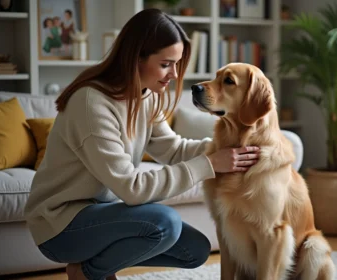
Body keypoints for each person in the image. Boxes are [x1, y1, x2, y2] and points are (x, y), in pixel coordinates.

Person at [24, 8, 260, 280]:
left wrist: (222, 149)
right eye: (165, 64)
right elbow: (132, 189)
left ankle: (93, 266)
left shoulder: (145, 96)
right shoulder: (91, 103)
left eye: (176, 63)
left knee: (195, 249)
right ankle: (88, 272)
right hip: (60, 227)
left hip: (100, 215)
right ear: (135, 57)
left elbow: (172, 149)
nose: (173, 74)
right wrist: (208, 164)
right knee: (165, 224)